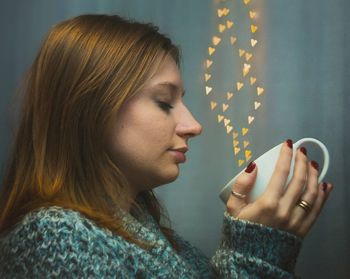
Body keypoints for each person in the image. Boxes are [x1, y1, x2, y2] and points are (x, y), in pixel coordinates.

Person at [0, 14, 332, 278]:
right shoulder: (53, 239)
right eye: (163, 102)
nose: (194, 126)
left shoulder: (152, 235)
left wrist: (255, 240)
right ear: (90, 110)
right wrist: (256, 253)